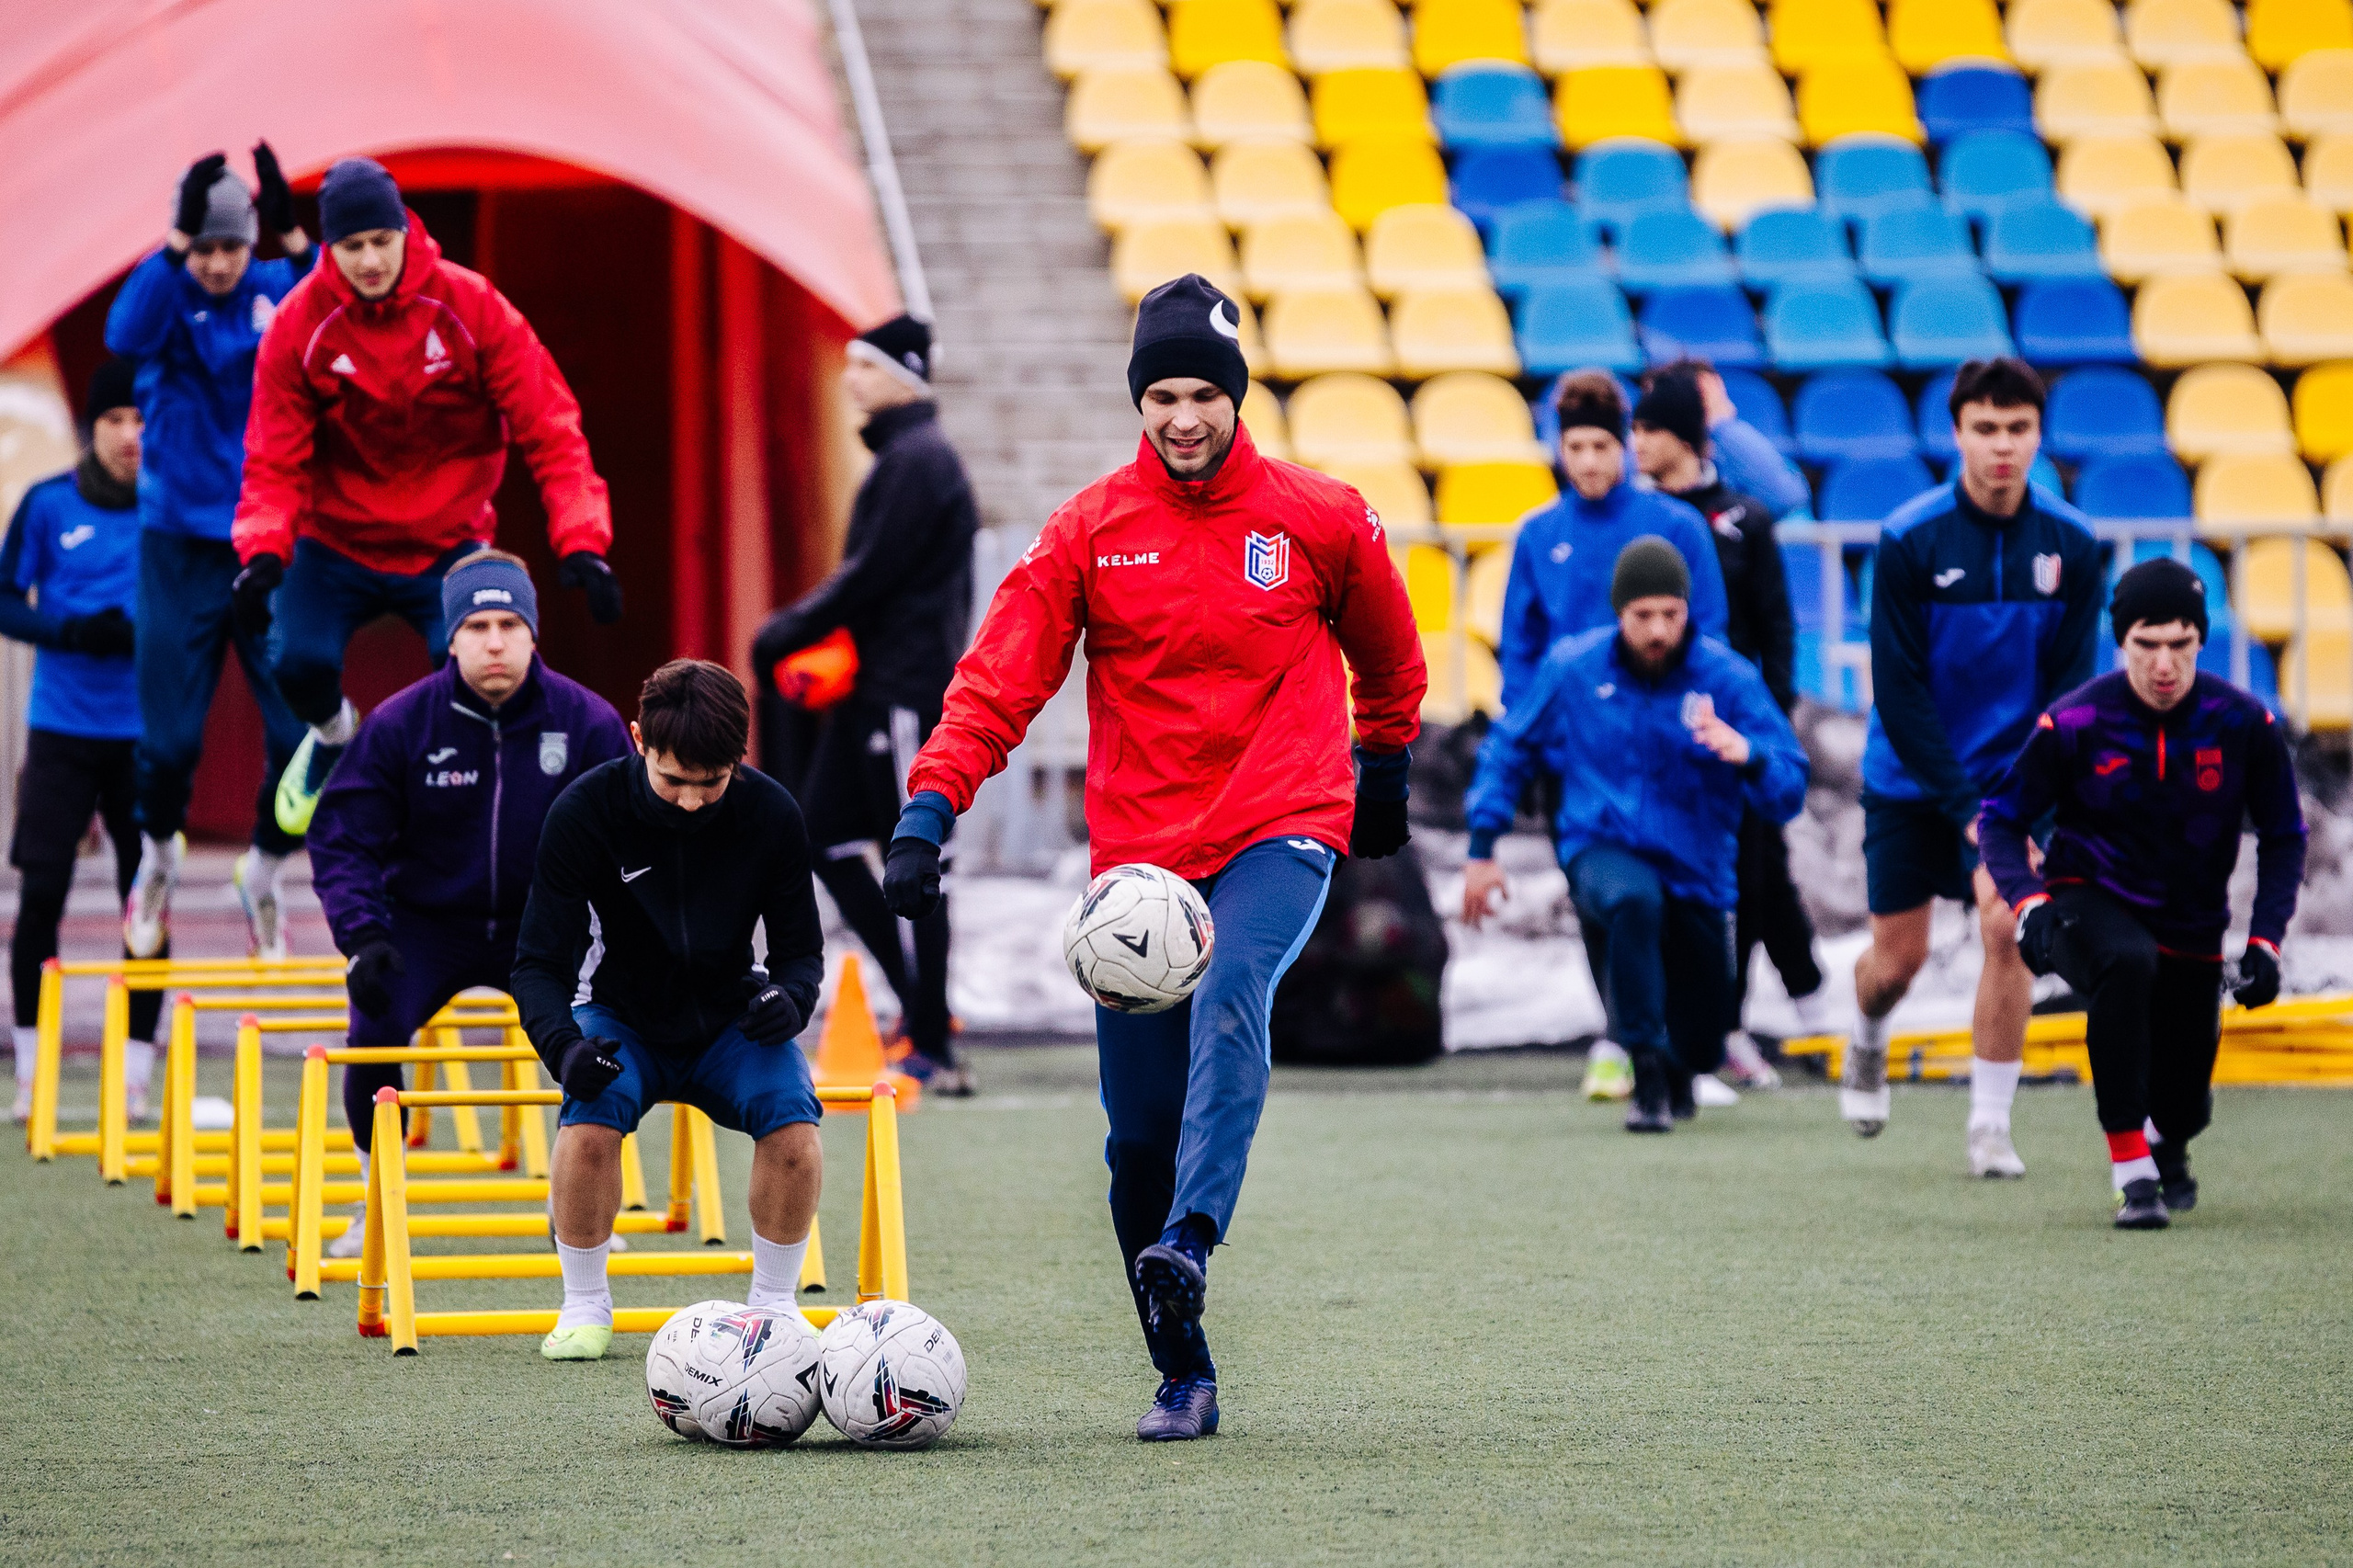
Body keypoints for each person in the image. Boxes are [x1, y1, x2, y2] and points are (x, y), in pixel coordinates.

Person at [878, 274, 1425, 1440]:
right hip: (1139, 864)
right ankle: (1184, 1370)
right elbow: (998, 681)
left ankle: (1194, 1235)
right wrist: (929, 808)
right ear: (1140, 400)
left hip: (1282, 816)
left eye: (1202, 395)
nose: (1183, 416)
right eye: (1162, 395)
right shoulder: (1089, 529)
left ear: (1237, 397)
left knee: (1233, 985)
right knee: (1135, 1139)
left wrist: (1382, 763)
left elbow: (1389, 652)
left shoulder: (1322, 516)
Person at [231, 156, 624, 843]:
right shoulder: (299, 326)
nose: (369, 260)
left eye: (381, 241)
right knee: (296, 661)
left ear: (406, 232)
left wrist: (582, 539)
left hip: (449, 540)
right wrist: (264, 548)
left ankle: (457, 817)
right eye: (352, 246)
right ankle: (333, 736)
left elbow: (551, 428)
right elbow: (272, 458)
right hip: (336, 539)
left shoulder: (471, 306)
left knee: (484, 675)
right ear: (330, 248)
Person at [304, 551, 631, 1257]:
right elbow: (341, 836)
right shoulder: (401, 724)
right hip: (424, 924)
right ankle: (374, 1200)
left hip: (546, 926)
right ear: (450, 638)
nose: (494, 641)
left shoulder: (587, 722)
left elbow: (635, 840)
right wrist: (363, 936)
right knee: (374, 1020)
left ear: (533, 633)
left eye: (510, 624)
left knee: (600, 1039)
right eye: (477, 626)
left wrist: (626, 935)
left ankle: (580, 1207)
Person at [511, 661, 826, 1362]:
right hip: (621, 1018)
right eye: (673, 779)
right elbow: (538, 963)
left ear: (739, 758)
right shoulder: (584, 811)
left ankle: (775, 1305)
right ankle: (584, 1304)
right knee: (587, 1126)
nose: (690, 801)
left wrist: (791, 1001)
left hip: (731, 1023)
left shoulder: (772, 813)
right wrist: (562, 1047)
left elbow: (800, 954)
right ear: (638, 741)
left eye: (711, 783)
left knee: (794, 1128)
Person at [1980, 559, 2305, 1228]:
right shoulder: (2075, 721)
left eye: (2180, 644)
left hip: (2192, 922)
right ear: (2121, 640)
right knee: (2126, 963)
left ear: (2201, 640)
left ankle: (2166, 1143)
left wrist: (2266, 940)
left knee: (2186, 1104)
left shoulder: (2244, 723)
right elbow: (2000, 821)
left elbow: (2284, 837)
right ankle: (2132, 1171)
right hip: (2087, 898)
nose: (2163, 664)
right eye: (2145, 644)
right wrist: (2029, 902)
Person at [1847, 358, 2103, 1175]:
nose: (2002, 446)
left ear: (2039, 436)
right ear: (1956, 433)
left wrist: (2020, 806)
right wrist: (1964, 807)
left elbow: (2068, 692)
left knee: (2008, 927)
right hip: (1910, 778)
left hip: (2013, 782)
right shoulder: (1908, 539)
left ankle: (1990, 1124)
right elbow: (1899, 691)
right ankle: (1868, 1033)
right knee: (1896, 965)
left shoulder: (2072, 544)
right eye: (1985, 428)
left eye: (2018, 429)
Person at [1461, 538, 1807, 1131]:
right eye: (1643, 615)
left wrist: (1749, 755)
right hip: (1601, 843)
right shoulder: (1573, 668)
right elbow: (1508, 748)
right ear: (1619, 612)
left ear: (1688, 611)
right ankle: (1642, 1065)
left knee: (1701, 1043)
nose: (1658, 630)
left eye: (1671, 614)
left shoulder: (1727, 677)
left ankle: (1676, 1067)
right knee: (1633, 901)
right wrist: (1481, 848)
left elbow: (1789, 786)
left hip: (1698, 867)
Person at [752, 314, 977, 1094]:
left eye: (866, 365)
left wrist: (788, 629)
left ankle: (933, 1037)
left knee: (916, 857)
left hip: (903, 692)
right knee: (824, 836)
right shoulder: (905, 458)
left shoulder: (919, 460)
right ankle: (921, 1008)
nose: (850, 378)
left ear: (905, 376)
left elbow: (872, 574)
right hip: (871, 690)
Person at [107, 146, 314, 960]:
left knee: (302, 736)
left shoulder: (272, 286)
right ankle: (157, 857)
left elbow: (334, 306)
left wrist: (294, 237)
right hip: (177, 545)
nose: (220, 264)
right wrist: (173, 244)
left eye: (232, 247)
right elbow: (123, 334)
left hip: (265, 539)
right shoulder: (167, 295)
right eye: (205, 249)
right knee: (169, 745)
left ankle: (262, 869)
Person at [1629, 366, 1834, 1088]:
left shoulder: (1746, 518)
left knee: (1748, 872)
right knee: (1704, 876)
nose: (1636, 442)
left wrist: (1765, 721)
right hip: (1655, 731)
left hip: (1735, 727)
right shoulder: (1634, 516)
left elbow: (1776, 627)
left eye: (1650, 428)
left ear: (1684, 435)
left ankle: (1732, 1023)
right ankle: (1743, 1017)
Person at [0, 362, 162, 1120]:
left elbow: (212, 600)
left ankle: (137, 1074)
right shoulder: (47, 503)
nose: (131, 435)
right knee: (42, 893)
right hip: (62, 727)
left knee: (148, 898)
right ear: (90, 428)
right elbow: (5, 599)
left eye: (142, 419)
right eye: (115, 419)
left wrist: (156, 634)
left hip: (147, 735)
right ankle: (31, 1071)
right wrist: (67, 630)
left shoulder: (172, 507)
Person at [1496, 370, 1729, 713]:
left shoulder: (1680, 525)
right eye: (1576, 447)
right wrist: (1527, 724)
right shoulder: (1537, 534)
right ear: (1560, 449)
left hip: (1656, 720)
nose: (1589, 462)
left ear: (1623, 445)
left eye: (1601, 446)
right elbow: (1518, 647)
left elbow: (1708, 633)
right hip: (1566, 728)